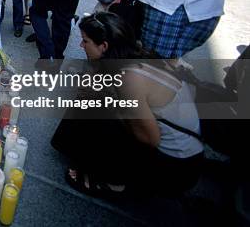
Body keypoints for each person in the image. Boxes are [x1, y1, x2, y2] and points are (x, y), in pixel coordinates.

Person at [51, 12, 204, 197]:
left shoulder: (130, 78)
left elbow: (150, 139)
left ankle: (113, 182)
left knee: (98, 111)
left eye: (85, 41)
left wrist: (113, 109)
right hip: (183, 159)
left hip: (176, 168)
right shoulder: (137, 57)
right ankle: (73, 150)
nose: (81, 45)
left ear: (104, 46)